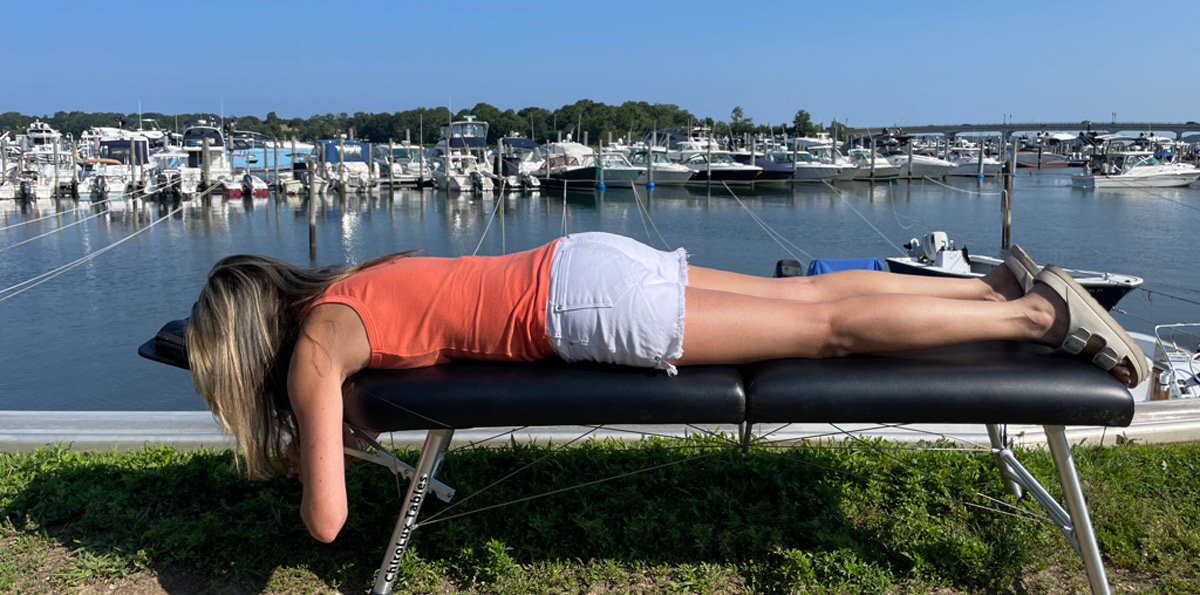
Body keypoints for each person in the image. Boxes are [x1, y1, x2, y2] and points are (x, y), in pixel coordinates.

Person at [185, 231, 1146, 543]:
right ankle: (989, 291)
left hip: (584, 311)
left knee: (823, 329)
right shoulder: (346, 296)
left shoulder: (315, 351)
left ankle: (1036, 320)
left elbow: (324, 519)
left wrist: (288, 442)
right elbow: (425, 331)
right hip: (579, 263)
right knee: (814, 300)